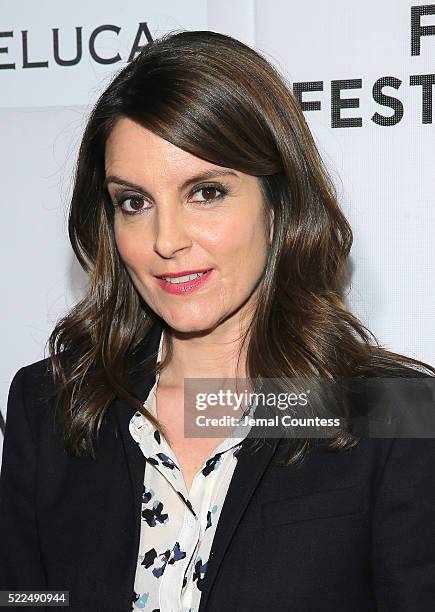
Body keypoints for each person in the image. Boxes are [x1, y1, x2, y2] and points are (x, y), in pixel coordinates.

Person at [0, 29, 434, 612]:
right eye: (135, 202)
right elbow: (29, 599)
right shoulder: (54, 403)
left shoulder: (386, 411)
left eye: (205, 192)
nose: (166, 240)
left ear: (278, 202)